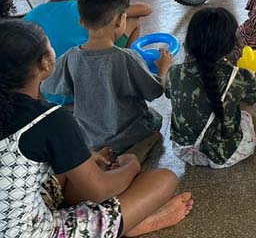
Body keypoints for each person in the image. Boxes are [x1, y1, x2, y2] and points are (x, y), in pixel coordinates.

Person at [0, 19, 194, 237]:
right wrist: (131, 164)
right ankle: (134, 224)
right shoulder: (51, 120)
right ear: (45, 63)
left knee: (72, 174)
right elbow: (99, 190)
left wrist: (85, 157)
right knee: (164, 179)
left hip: (12, 213)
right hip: (31, 232)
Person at [42, 0, 171, 158]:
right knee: (155, 118)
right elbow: (155, 91)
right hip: (131, 135)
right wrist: (162, 70)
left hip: (89, 138)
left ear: (81, 21)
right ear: (120, 20)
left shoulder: (70, 57)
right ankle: (137, 151)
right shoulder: (127, 57)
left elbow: (47, 88)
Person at [165, 8, 256, 169]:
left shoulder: (175, 72)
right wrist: (250, 76)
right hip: (225, 155)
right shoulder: (237, 75)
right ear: (230, 44)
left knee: (223, 104)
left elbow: (169, 93)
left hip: (184, 150)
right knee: (245, 111)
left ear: (190, 41)